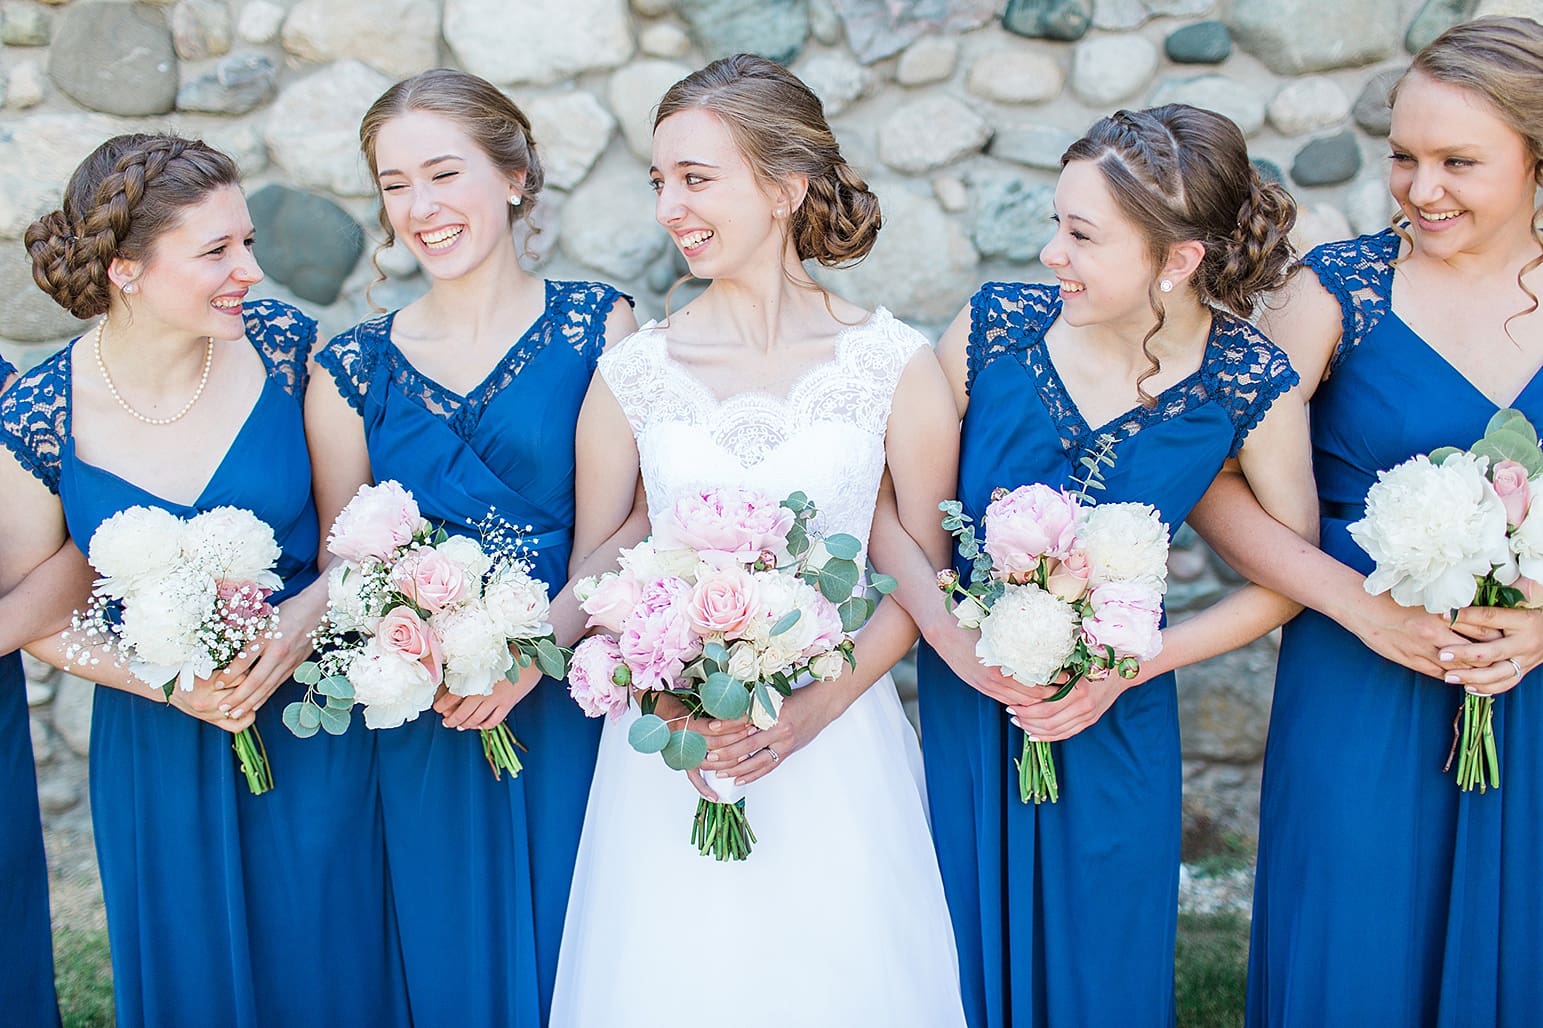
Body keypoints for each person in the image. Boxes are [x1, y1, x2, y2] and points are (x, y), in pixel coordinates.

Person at [550, 53, 968, 1028]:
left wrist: (810, 713)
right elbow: (598, 565)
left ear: (783, 188)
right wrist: (665, 694)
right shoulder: (633, 373)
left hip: (836, 743)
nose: (669, 206)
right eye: (659, 181)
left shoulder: (893, 364)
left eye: (695, 178)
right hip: (668, 752)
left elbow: (922, 583)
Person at [879, 104, 1315, 1027]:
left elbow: (1286, 580)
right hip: (973, 696)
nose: (1051, 254)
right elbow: (890, 514)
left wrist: (1135, 663)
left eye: (1081, 235)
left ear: (1177, 258)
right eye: (1054, 225)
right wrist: (952, 638)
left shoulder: (1247, 382)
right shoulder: (993, 330)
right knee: (956, 955)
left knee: (1103, 970)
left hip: (1113, 712)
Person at [1183, 17, 1543, 1025]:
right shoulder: (1336, 292)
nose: (1421, 189)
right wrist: (1358, 607)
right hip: (1360, 683)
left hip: (1531, 681)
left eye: (1457, 161)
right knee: (1354, 953)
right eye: (1402, 157)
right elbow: (1208, 477)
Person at [0, 133, 404, 1028]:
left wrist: (304, 617)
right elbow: (34, 609)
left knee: (333, 966)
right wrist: (166, 680)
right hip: (157, 744)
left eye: (249, 243)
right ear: (126, 269)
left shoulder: (293, 351)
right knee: (191, 978)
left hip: (312, 718)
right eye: (216, 250)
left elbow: (357, 534)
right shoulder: (38, 412)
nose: (249, 271)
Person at [305, 68, 637, 1026]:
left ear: (515, 176)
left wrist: (535, 646)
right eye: (394, 184)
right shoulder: (346, 367)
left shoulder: (598, 326)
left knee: (585, 951)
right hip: (427, 713)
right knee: (443, 955)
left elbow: (631, 525)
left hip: (571, 686)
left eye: (442, 174)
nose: (419, 208)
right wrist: (414, 646)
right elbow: (346, 563)